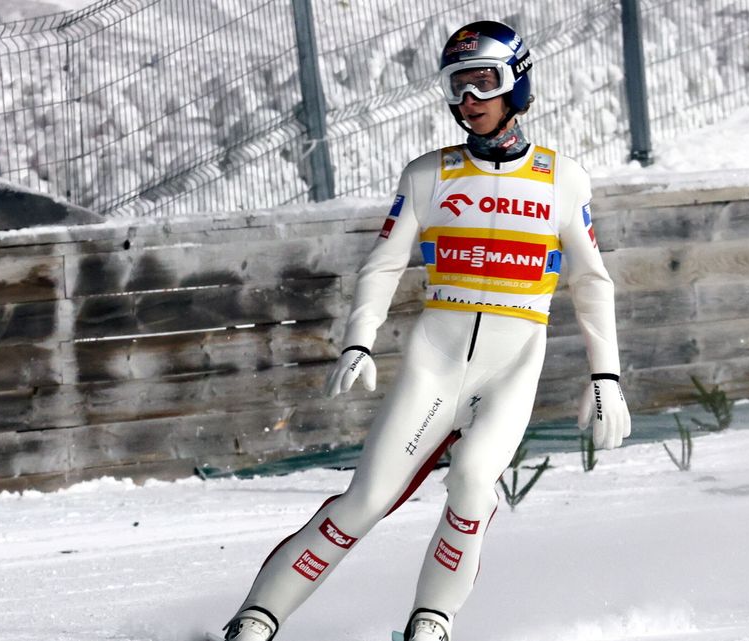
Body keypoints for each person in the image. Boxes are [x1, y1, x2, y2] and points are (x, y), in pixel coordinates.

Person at [219, 20, 631, 641]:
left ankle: (431, 622)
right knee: (365, 500)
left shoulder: (562, 179)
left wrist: (607, 376)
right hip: (433, 363)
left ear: (517, 82)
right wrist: (359, 337)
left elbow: (591, 281)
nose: (470, 100)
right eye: (457, 86)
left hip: (511, 368)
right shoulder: (427, 174)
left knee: (471, 484)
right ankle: (256, 620)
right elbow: (383, 264)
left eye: (484, 82)